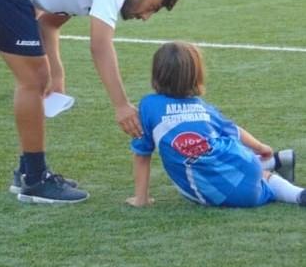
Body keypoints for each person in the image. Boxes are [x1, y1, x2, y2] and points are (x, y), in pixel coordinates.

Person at [0, 0, 180, 204]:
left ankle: (28, 171)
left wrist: (57, 73)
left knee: (38, 79)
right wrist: (122, 105)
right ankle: (36, 180)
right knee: (32, 81)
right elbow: (100, 46)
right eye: (152, 7)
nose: (145, 17)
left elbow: (48, 24)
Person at [127, 41, 306, 208]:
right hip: (243, 158)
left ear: (157, 73)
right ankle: (289, 181)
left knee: (259, 180)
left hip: (216, 191)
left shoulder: (148, 106)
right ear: (196, 75)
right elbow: (234, 131)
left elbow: (142, 154)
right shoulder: (203, 108)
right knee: (238, 168)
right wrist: (260, 147)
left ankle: (283, 176)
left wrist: (141, 199)